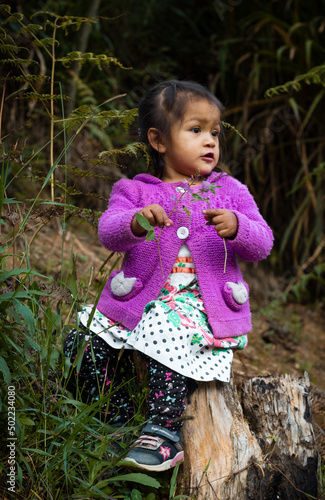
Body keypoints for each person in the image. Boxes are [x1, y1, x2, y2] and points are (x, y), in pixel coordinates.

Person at [63, 80, 274, 472]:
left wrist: (239, 226)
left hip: (199, 306)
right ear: (158, 140)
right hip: (138, 300)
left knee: (167, 326)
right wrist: (138, 222)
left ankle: (164, 432)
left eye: (214, 132)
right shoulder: (134, 190)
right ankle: (114, 420)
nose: (210, 141)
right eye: (196, 130)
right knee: (81, 338)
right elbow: (109, 230)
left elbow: (262, 243)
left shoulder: (229, 191)